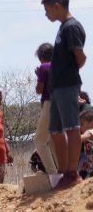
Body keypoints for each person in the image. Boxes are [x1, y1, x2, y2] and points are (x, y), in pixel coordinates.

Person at [42, 0, 87, 189]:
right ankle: (63, 172)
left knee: (71, 128)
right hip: (57, 87)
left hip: (68, 85)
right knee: (55, 131)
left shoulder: (71, 27)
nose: (46, 14)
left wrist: (69, 74)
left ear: (57, 6)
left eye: (47, 9)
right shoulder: (62, 28)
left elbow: (80, 57)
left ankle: (72, 173)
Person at [33, 44, 59, 175]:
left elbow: (39, 90)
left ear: (41, 56)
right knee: (53, 140)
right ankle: (63, 172)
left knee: (39, 141)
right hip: (62, 105)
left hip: (49, 104)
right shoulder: (61, 66)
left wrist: (39, 76)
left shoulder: (44, 67)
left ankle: (53, 175)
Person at [78, 108, 93, 178]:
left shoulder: (90, 131)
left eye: (82, 124)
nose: (80, 128)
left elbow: (82, 137)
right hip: (87, 166)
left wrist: (72, 140)